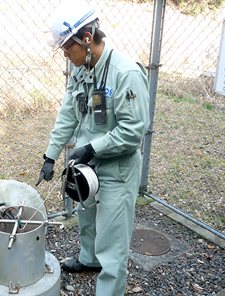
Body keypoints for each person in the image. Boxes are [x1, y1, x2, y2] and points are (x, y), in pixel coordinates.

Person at [36, 2, 150, 296]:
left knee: (112, 238)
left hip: (116, 168)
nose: (64, 54)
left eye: (67, 47)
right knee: (86, 216)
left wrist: (91, 147)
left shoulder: (125, 73)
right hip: (87, 165)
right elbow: (68, 114)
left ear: (87, 39)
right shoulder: (81, 70)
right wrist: (50, 155)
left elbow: (133, 132)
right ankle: (89, 259)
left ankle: (109, 288)